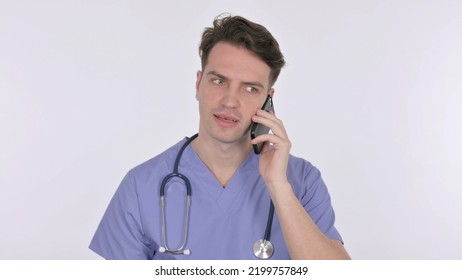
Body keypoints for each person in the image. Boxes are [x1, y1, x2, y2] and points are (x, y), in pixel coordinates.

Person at [89, 14, 350, 260]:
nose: (230, 101)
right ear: (198, 85)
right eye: (219, 81)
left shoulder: (301, 181)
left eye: (250, 88)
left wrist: (278, 187)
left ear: (268, 100)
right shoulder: (141, 186)